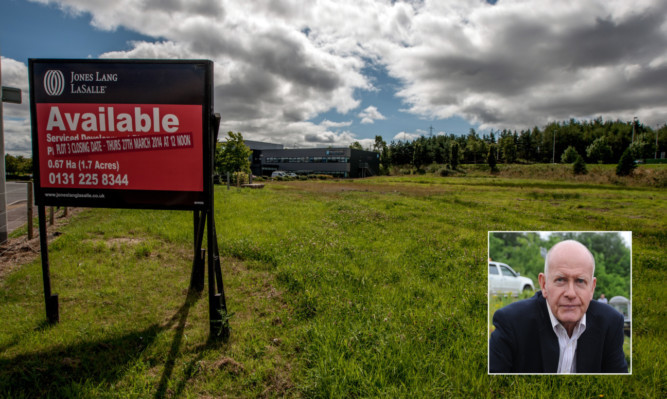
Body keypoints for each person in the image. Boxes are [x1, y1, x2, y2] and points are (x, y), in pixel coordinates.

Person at [489, 240, 628, 373]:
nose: (570, 293)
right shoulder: (512, 322)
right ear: (544, 285)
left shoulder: (610, 323)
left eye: (580, 281)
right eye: (560, 280)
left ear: (592, 288)